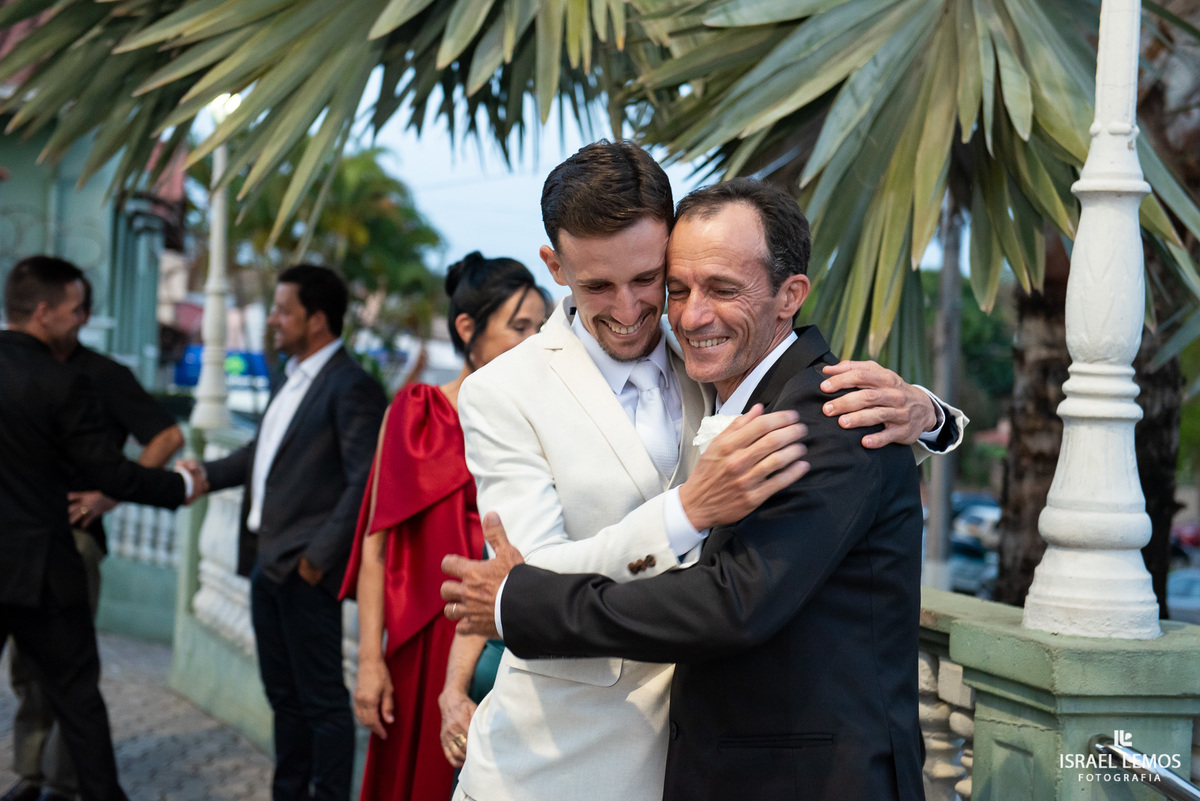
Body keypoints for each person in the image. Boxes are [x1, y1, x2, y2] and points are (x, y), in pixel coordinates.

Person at [440, 142, 964, 801]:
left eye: (649, 280)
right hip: (556, 762)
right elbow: (543, 581)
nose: (634, 310)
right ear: (555, 265)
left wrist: (931, 412)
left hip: (694, 763)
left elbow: (823, 424)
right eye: (598, 285)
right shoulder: (503, 392)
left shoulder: (706, 354)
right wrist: (685, 510)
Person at [338, 253, 548, 801]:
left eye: (543, 330)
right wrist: (368, 663)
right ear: (466, 328)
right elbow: (375, 550)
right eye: (519, 327)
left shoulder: (543, 424)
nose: (535, 342)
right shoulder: (418, 412)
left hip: (501, 641)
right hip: (422, 641)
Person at [181, 265, 387, 801]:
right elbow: (261, 455)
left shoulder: (352, 386)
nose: (272, 319)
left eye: (282, 310)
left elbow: (366, 482)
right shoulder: (290, 376)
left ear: (317, 320)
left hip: (304, 573)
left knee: (321, 705)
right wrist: (206, 476)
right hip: (264, 564)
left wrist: (317, 559)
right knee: (284, 699)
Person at [0, 256, 201, 801]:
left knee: (59, 691)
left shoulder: (94, 373)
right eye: (74, 309)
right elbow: (107, 470)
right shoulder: (60, 382)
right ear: (43, 312)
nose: (82, 319)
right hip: (44, 565)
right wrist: (181, 488)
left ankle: (52, 781)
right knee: (77, 698)